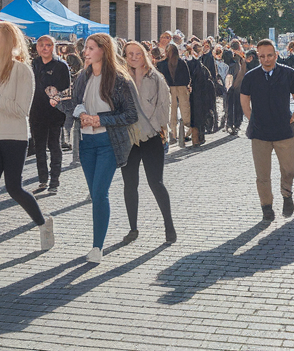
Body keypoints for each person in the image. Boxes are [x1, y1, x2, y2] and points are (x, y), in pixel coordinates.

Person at [0, 22, 54, 265]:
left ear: (9, 38)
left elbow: (20, 109)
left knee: (14, 188)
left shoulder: (22, 70)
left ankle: (43, 222)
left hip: (14, 138)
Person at [53, 34, 138, 263]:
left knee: (100, 193)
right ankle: (97, 244)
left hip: (109, 143)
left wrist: (100, 120)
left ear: (103, 50)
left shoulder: (120, 80)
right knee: (95, 194)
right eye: (86, 48)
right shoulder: (83, 76)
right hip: (86, 144)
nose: (85, 52)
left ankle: (97, 247)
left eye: (90, 48)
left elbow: (131, 115)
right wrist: (58, 101)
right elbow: (77, 104)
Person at [239, 39, 294, 221]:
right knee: (262, 174)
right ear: (257, 57)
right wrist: (253, 119)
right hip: (260, 134)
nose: (266, 59)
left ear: (276, 55)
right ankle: (266, 206)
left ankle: (287, 194)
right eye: (262, 56)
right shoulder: (251, 77)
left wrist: (293, 118)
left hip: (284, 132)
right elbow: (244, 101)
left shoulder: (288, 73)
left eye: (269, 55)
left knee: (289, 169)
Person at [120, 41, 175, 243]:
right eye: (129, 54)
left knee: (156, 182)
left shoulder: (156, 78)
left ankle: (168, 225)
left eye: (137, 53)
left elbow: (164, 106)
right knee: (129, 184)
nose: (134, 57)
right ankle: (133, 228)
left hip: (151, 137)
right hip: (129, 138)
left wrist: (156, 128)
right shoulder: (122, 79)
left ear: (144, 55)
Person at [30, 35, 70, 194]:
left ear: (53, 47)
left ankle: (54, 181)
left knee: (54, 146)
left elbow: (67, 88)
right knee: (39, 148)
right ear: (37, 47)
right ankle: (42, 180)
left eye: (48, 45)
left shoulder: (61, 65)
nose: (44, 48)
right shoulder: (33, 64)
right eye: (41, 45)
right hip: (36, 112)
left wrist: (56, 94)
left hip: (55, 113)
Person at [157, 43, 192, 148]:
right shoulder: (182, 63)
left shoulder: (162, 64)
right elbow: (187, 76)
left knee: (171, 112)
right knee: (185, 110)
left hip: (169, 88)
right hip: (181, 87)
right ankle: (187, 132)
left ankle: (173, 133)